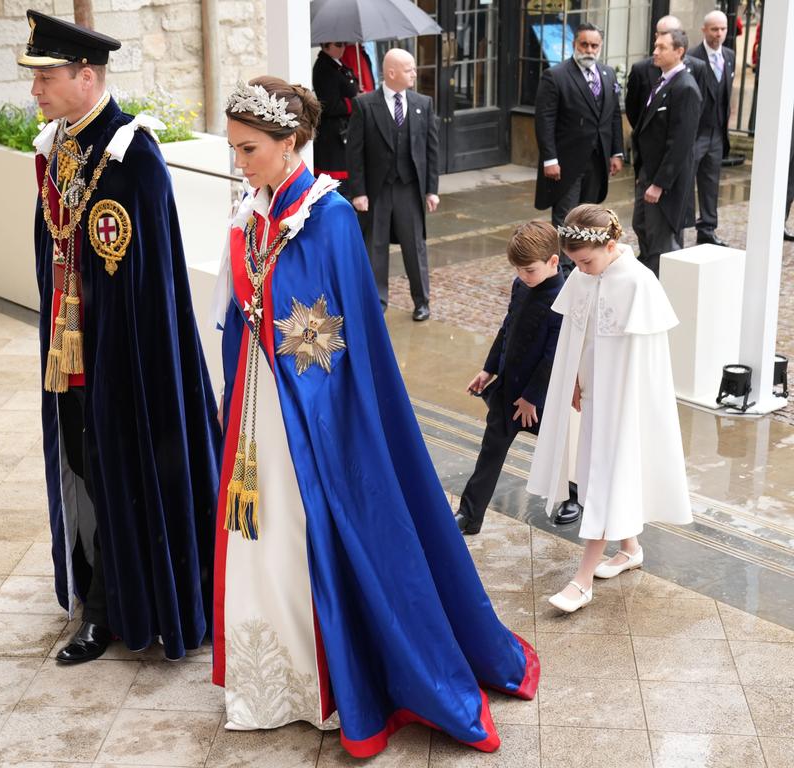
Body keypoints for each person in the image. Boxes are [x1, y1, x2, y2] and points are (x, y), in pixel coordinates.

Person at [212, 77, 539, 758]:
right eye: (236, 148)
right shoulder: (253, 213)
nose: (239, 161)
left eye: (249, 148)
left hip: (314, 418)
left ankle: (335, 679)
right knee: (262, 535)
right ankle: (276, 678)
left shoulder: (326, 219)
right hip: (260, 406)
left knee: (308, 535)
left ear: (289, 142)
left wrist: (305, 400)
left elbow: (340, 343)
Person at [19, 10, 221, 664]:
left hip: (125, 360)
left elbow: (150, 283)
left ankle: (109, 612)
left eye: (46, 77)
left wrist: (115, 360)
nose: (35, 90)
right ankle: (98, 589)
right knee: (84, 469)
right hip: (71, 353)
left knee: (115, 473)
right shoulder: (59, 146)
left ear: (86, 74)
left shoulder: (130, 156)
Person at [527, 205, 692, 613]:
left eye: (585, 261)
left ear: (611, 245)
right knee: (596, 472)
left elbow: (646, 362)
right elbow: (577, 337)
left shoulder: (639, 282)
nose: (579, 271)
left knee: (604, 477)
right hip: (595, 396)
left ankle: (582, 579)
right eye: (574, 263)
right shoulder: (585, 277)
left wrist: (624, 401)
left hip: (623, 402)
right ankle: (630, 549)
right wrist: (575, 380)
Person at [455, 222, 564, 535]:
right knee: (490, 452)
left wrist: (532, 398)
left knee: (564, 450)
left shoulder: (562, 297)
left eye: (528, 270)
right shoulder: (522, 286)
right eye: (517, 270)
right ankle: (469, 515)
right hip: (507, 392)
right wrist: (488, 370)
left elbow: (552, 355)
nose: (521, 277)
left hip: (539, 399)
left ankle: (576, 497)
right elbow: (507, 330)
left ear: (553, 261)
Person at [346, 48, 440, 321]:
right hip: (376, 191)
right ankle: (377, 301)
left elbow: (431, 150)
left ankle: (422, 301)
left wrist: (431, 189)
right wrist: (359, 192)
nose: (414, 73)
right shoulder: (365, 104)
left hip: (409, 188)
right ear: (391, 73)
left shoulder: (423, 103)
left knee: (415, 246)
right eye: (409, 69)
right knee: (375, 246)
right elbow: (355, 152)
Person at [533, 22, 624, 261]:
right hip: (566, 163)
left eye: (594, 45)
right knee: (567, 219)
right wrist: (549, 159)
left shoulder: (607, 74)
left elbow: (613, 115)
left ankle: (586, 262)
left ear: (600, 47)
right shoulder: (556, 76)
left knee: (589, 218)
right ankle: (563, 269)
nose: (589, 50)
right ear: (575, 44)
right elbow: (545, 120)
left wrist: (616, 152)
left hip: (597, 161)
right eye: (584, 44)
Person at [630, 28, 702, 277]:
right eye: (655, 46)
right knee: (641, 227)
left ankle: (661, 293)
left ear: (679, 51)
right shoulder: (663, 81)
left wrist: (659, 184)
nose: (655, 52)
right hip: (647, 172)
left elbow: (680, 143)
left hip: (665, 183)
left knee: (662, 242)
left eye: (662, 47)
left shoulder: (686, 88)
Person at [686, 10, 736, 247]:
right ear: (704, 30)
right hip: (696, 133)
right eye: (714, 29)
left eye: (723, 29)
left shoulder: (729, 56)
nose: (719, 34)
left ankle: (707, 228)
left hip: (717, 134)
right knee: (685, 181)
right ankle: (678, 227)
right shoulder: (692, 58)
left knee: (710, 183)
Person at [625, 16, 709, 131]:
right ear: (656, 36)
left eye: (676, 33)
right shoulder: (640, 69)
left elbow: (698, 108)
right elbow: (632, 108)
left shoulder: (697, 68)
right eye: (664, 34)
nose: (670, 37)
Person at [312, 42, 359, 181]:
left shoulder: (338, 64)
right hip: (333, 134)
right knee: (338, 183)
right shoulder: (324, 67)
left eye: (344, 44)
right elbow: (330, 105)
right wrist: (356, 102)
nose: (343, 48)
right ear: (326, 45)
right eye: (339, 44)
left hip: (344, 129)